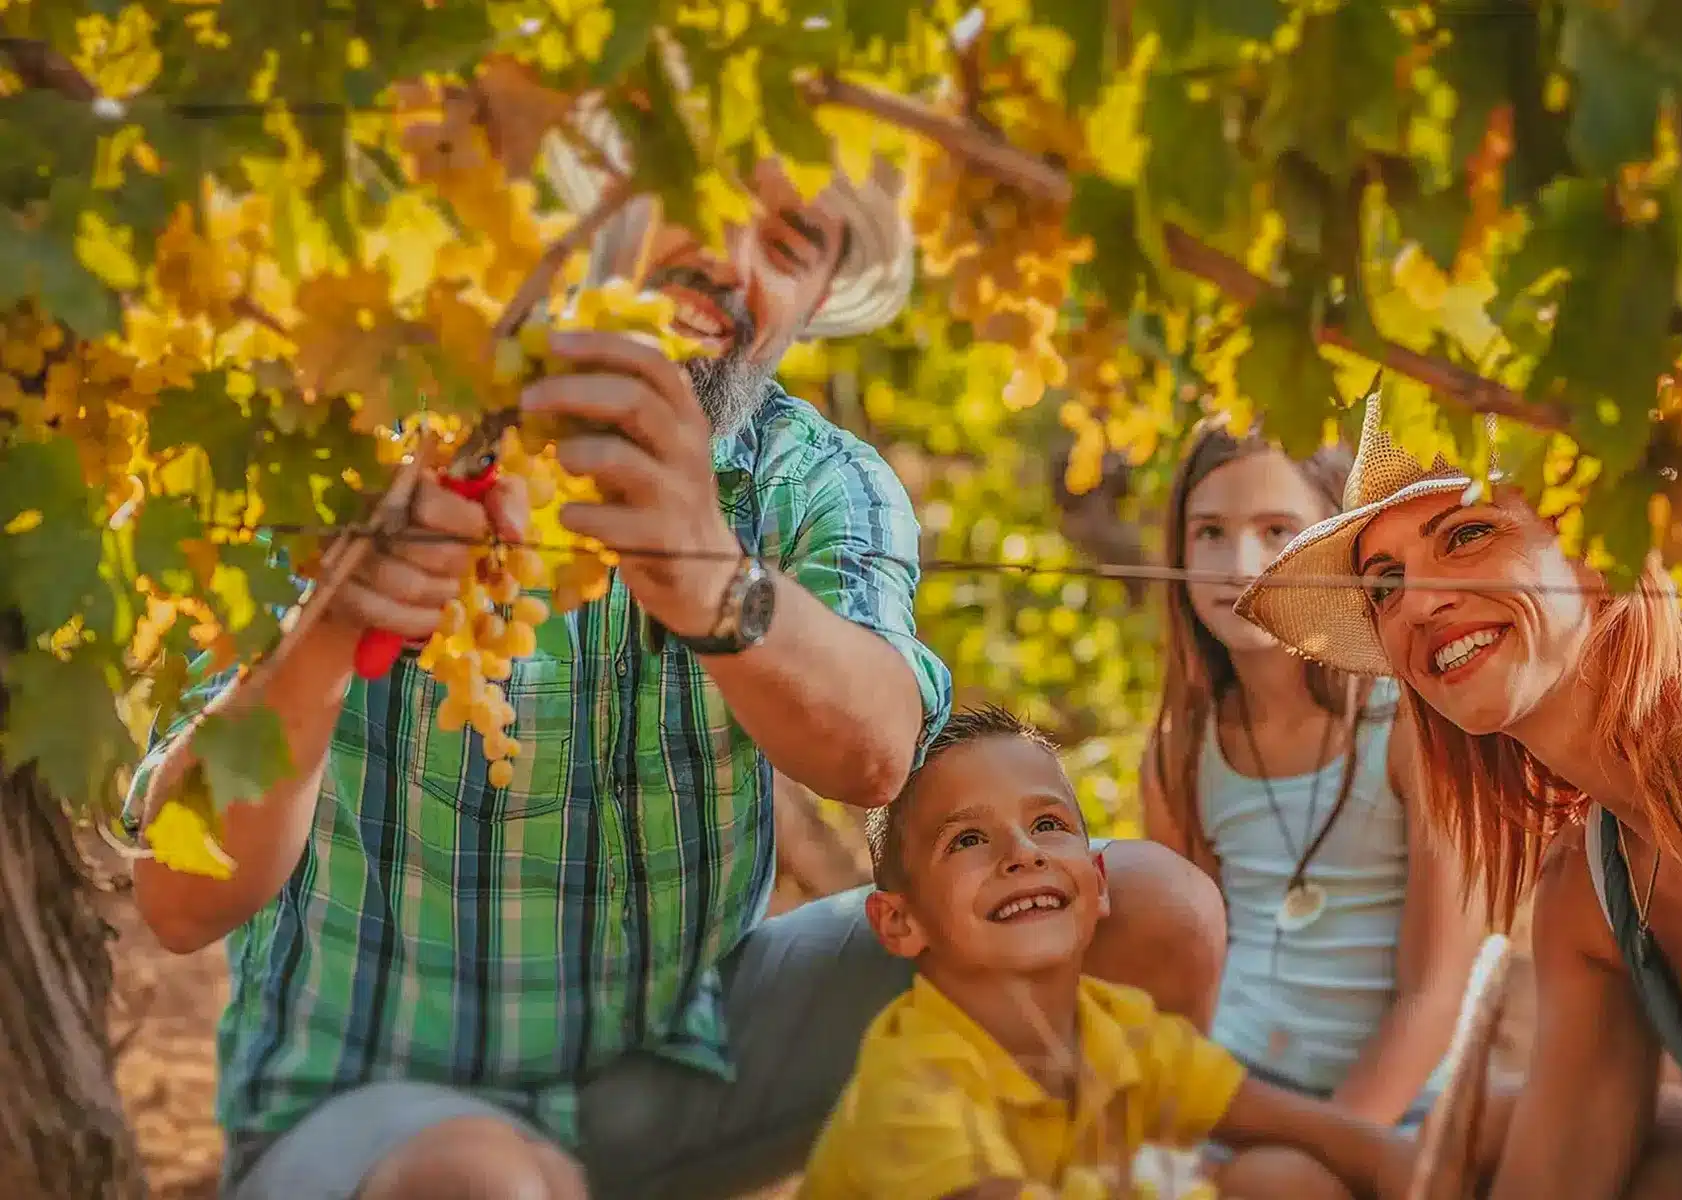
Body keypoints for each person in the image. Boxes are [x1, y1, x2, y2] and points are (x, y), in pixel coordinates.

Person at [121, 171, 1226, 1200]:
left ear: (818, 298)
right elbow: (179, 903)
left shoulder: (814, 479)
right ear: (606, 203)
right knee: (484, 1182)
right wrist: (328, 631)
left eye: (789, 244)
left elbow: (878, 748)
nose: (732, 260)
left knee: (1147, 918)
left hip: (691, 1065)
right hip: (378, 1116)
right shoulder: (363, 434)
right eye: (701, 198)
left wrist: (718, 583)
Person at [1238, 393, 1682, 1197]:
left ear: (1598, 553)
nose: (1416, 603)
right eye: (1383, 585)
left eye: (1466, 535)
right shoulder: (1586, 892)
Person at [801, 705, 1408, 1200]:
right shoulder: (910, 1091)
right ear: (901, 922)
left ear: (1098, 882)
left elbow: (1337, 1138)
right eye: (967, 839)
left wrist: (1414, 1167)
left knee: (1282, 1181)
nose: (1023, 854)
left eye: (1047, 825)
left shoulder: (1116, 1028)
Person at [1142, 416, 1483, 1130]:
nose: (1239, 561)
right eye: (1209, 532)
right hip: (1240, 1093)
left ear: (1333, 549)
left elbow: (1437, 992)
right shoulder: (1181, 751)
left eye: (1275, 530)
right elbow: (1185, 980)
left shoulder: (1411, 728)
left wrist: (1340, 1148)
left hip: (1400, 1110)